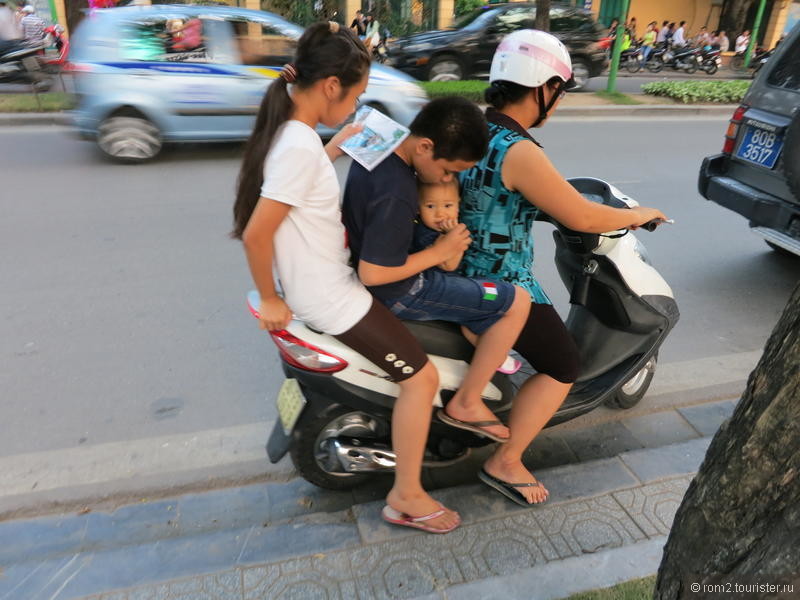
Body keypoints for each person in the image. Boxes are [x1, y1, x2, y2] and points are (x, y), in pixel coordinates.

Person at [232, 22, 461, 535]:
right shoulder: (296, 147)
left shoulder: (297, 134)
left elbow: (301, 178)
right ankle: (406, 495)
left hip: (327, 282)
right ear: (331, 87)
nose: (356, 103)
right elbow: (255, 234)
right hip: (330, 298)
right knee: (421, 378)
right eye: (356, 94)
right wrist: (270, 299)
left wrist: (337, 146)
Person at [459, 30, 669, 506]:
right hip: (502, 282)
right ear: (542, 88)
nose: (557, 102)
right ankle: (506, 460)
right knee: (563, 364)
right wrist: (640, 215)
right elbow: (583, 216)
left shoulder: (473, 129)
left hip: (455, 272)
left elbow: (498, 198)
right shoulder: (520, 151)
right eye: (558, 90)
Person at [342, 96, 531, 445]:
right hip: (403, 289)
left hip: (366, 253)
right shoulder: (397, 192)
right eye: (449, 171)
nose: (447, 180)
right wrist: (440, 251)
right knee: (517, 301)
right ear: (425, 146)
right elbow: (374, 273)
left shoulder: (383, 136)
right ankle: (467, 402)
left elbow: (360, 118)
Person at [413, 179, 522, 375]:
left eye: (448, 205)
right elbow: (449, 264)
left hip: (449, 282)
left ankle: (494, 351)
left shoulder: (437, 229)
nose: (440, 213)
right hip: (439, 288)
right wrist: (453, 238)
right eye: (430, 206)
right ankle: (496, 356)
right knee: (476, 316)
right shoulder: (426, 234)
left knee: (482, 307)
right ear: (418, 208)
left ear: (458, 205)